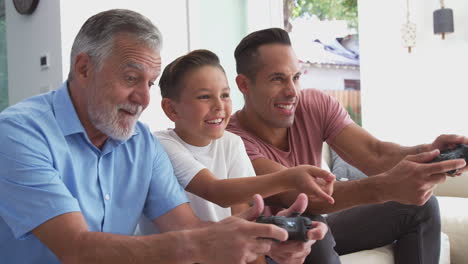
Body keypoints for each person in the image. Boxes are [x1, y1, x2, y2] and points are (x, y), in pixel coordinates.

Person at [0, 11, 326, 263]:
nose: (143, 99)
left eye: (150, 83)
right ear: (84, 68)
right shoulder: (19, 134)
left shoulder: (140, 143)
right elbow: (76, 250)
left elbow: (188, 229)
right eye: (131, 78)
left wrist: (265, 240)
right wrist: (207, 243)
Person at [227, 27, 468, 264]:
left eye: (296, 77)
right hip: (275, 246)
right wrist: (388, 186)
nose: (292, 92)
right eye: (277, 79)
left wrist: (430, 153)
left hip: (319, 225)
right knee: (310, 225)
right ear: (244, 85)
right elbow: (309, 198)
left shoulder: (313, 105)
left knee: (421, 206)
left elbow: (375, 154)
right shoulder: (232, 141)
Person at [138, 49, 334, 263]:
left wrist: (268, 246)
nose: (219, 106)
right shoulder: (161, 145)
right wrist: (289, 178)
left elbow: (243, 219)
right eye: (205, 97)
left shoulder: (232, 142)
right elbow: (216, 191)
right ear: (171, 109)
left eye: (225, 95)